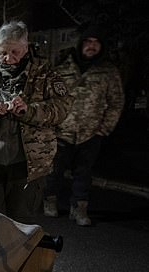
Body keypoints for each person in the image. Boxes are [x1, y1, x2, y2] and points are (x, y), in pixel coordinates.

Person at [0, 21, 72, 223]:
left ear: (26, 48)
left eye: (15, 52)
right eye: (3, 53)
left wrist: (29, 110)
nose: (8, 59)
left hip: (28, 166)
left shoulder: (44, 74)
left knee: (21, 225)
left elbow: (63, 107)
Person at [43, 24, 124, 226]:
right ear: (80, 44)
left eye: (96, 43)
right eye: (88, 42)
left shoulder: (108, 72)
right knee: (54, 171)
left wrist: (104, 129)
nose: (91, 46)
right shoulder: (62, 68)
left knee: (84, 173)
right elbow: (48, 98)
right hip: (62, 131)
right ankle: (49, 201)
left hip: (90, 133)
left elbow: (116, 102)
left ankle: (79, 210)